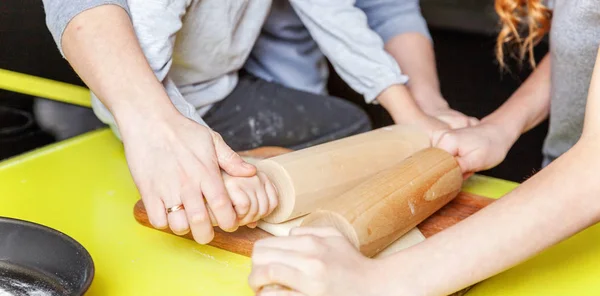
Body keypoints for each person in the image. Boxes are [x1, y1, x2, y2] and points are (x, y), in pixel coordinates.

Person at [248, 0, 600, 296]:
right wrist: (502, 126)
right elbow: (582, 45)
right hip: (561, 196)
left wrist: (380, 284)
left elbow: (592, 172)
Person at [42, 0, 448, 245]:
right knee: (224, 182)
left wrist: (410, 114)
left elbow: (337, 18)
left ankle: (249, 162)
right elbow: (142, 80)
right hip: (165, 103)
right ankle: (246, 163)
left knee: (351, 123)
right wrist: (213, 165)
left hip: (221, 88)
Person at [244, 0, 477, 129]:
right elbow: (330, 12)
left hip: (294, 63)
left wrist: (430, 105)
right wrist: (410, 114)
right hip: (226, 77)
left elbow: (390, 9)